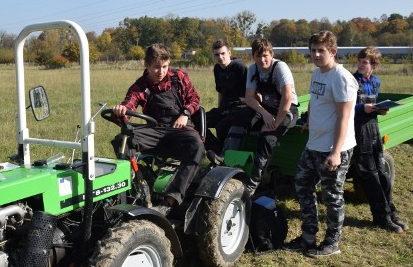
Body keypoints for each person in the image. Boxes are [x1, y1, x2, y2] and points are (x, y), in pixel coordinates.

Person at [285, 31, 358, 257]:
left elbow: (344, 118)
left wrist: (336, 152)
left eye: (321, 51)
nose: (316, 55)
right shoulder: (318, 73)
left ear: (333, 52)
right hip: (314, 145)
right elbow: (317, 103)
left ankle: (331, 243)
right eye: (313, 50)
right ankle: (308, 237)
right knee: (303, 186)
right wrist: (309, 121)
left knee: (331, 197)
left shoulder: (342, 78)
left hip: (333, 149)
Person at [111, 43, 204, 211]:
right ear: (146, 65)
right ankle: (138, 184)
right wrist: (121, 112)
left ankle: (171, 199)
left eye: (164, 67)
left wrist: (184, 114)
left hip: (180, 129)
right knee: (122, 141)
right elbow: (129, 105)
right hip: (155, 130)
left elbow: (194, 99)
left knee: (197, 145)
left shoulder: (179, 77)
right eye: (156, 67)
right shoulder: (140, 86)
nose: (161, 72)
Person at [221, 38, 299, 196]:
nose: (262, 60)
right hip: (266, 108)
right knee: (241, 115)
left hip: (286, 109)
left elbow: (287, 97)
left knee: (267, 135)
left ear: (272, 54)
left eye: (265, 56)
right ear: (253, 56)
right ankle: (226, 161)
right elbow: (249, 98)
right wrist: (265, 114)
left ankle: (253, 181)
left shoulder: (280, 68)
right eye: (258, 56)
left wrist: (275, 122)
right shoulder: (252, 69)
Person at [353, 46, 409, 233]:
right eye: (359, 61)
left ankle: (391, 213)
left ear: (374, 65)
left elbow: (373, 104)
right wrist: (363, 109)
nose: (360, 64)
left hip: (373, 126)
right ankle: (380, 217)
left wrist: (380, 109)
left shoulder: (376, 82)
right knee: (369, 174)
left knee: (381, 171)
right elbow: (344, 108)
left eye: (365, 62)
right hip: (358, 128)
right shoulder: (351, 81)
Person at [204, 39, 248, 153]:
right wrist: (219, 109)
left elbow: (252, 91)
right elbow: (220, 91)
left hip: (239, 107)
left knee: (221, 126)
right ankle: (216, 150)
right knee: (198, 121)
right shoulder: (217, 69)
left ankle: (224, 155)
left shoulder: (240, 67)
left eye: (223, 53)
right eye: (217, 54)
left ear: (229, 53)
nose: (220, 57)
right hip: (224, 107)